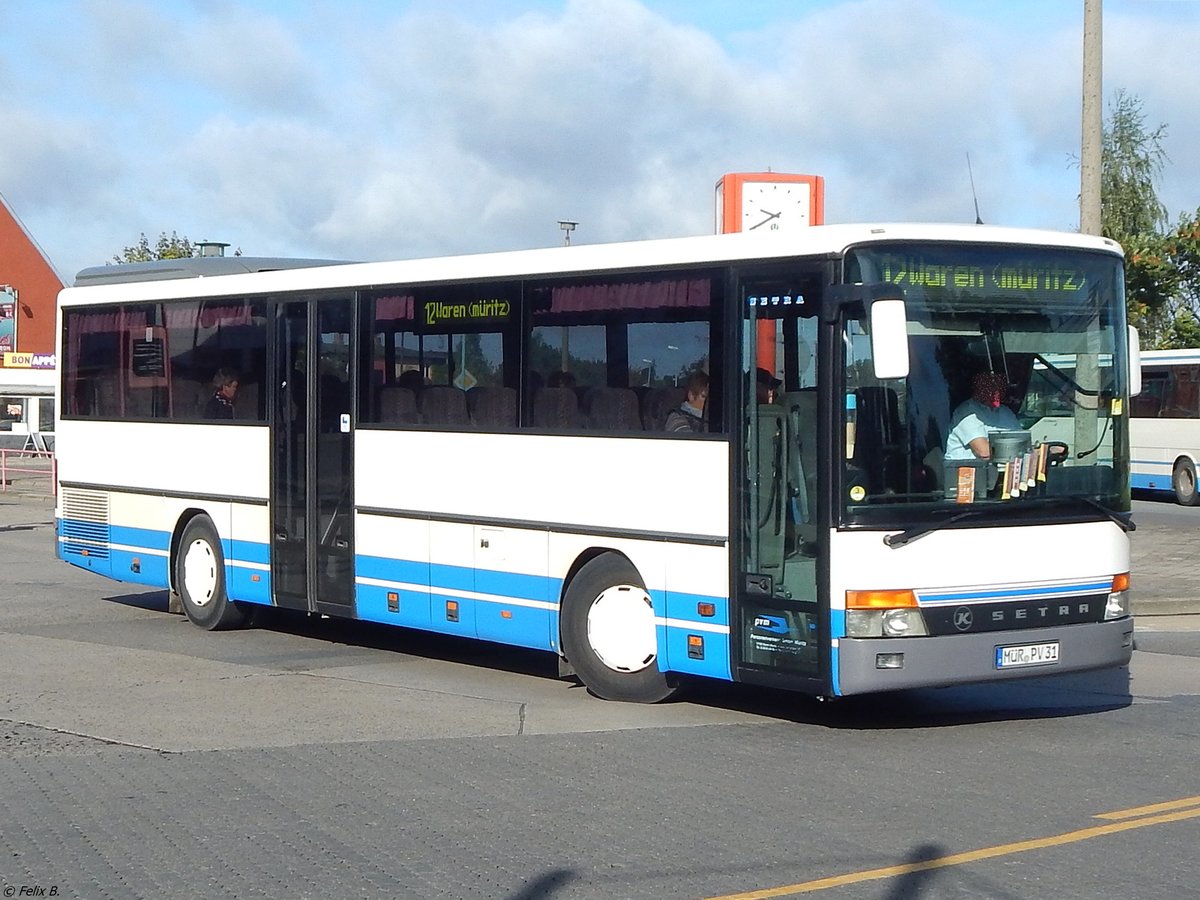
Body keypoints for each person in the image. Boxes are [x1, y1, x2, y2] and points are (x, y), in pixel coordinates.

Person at [945, 371, 1021, 460]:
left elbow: (1022, 441)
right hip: (968, 471)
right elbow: (984, 452)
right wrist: (1018, 451)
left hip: (1004, 469)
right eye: (990, 386)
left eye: (999, 385)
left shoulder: (1006, 412)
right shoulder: (967, 412)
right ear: (978, 387)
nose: (996, 390)